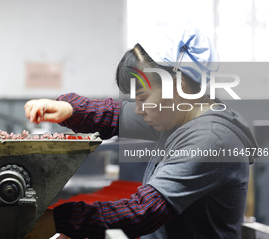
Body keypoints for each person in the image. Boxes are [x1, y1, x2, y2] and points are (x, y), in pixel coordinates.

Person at [24, 28, 258, 239]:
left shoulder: (210, 139)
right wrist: (70, 110)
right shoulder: (179, 116)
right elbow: (115, 115)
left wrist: (60, 221)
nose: (138, 109)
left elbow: (144, 211)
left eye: (143, 97)